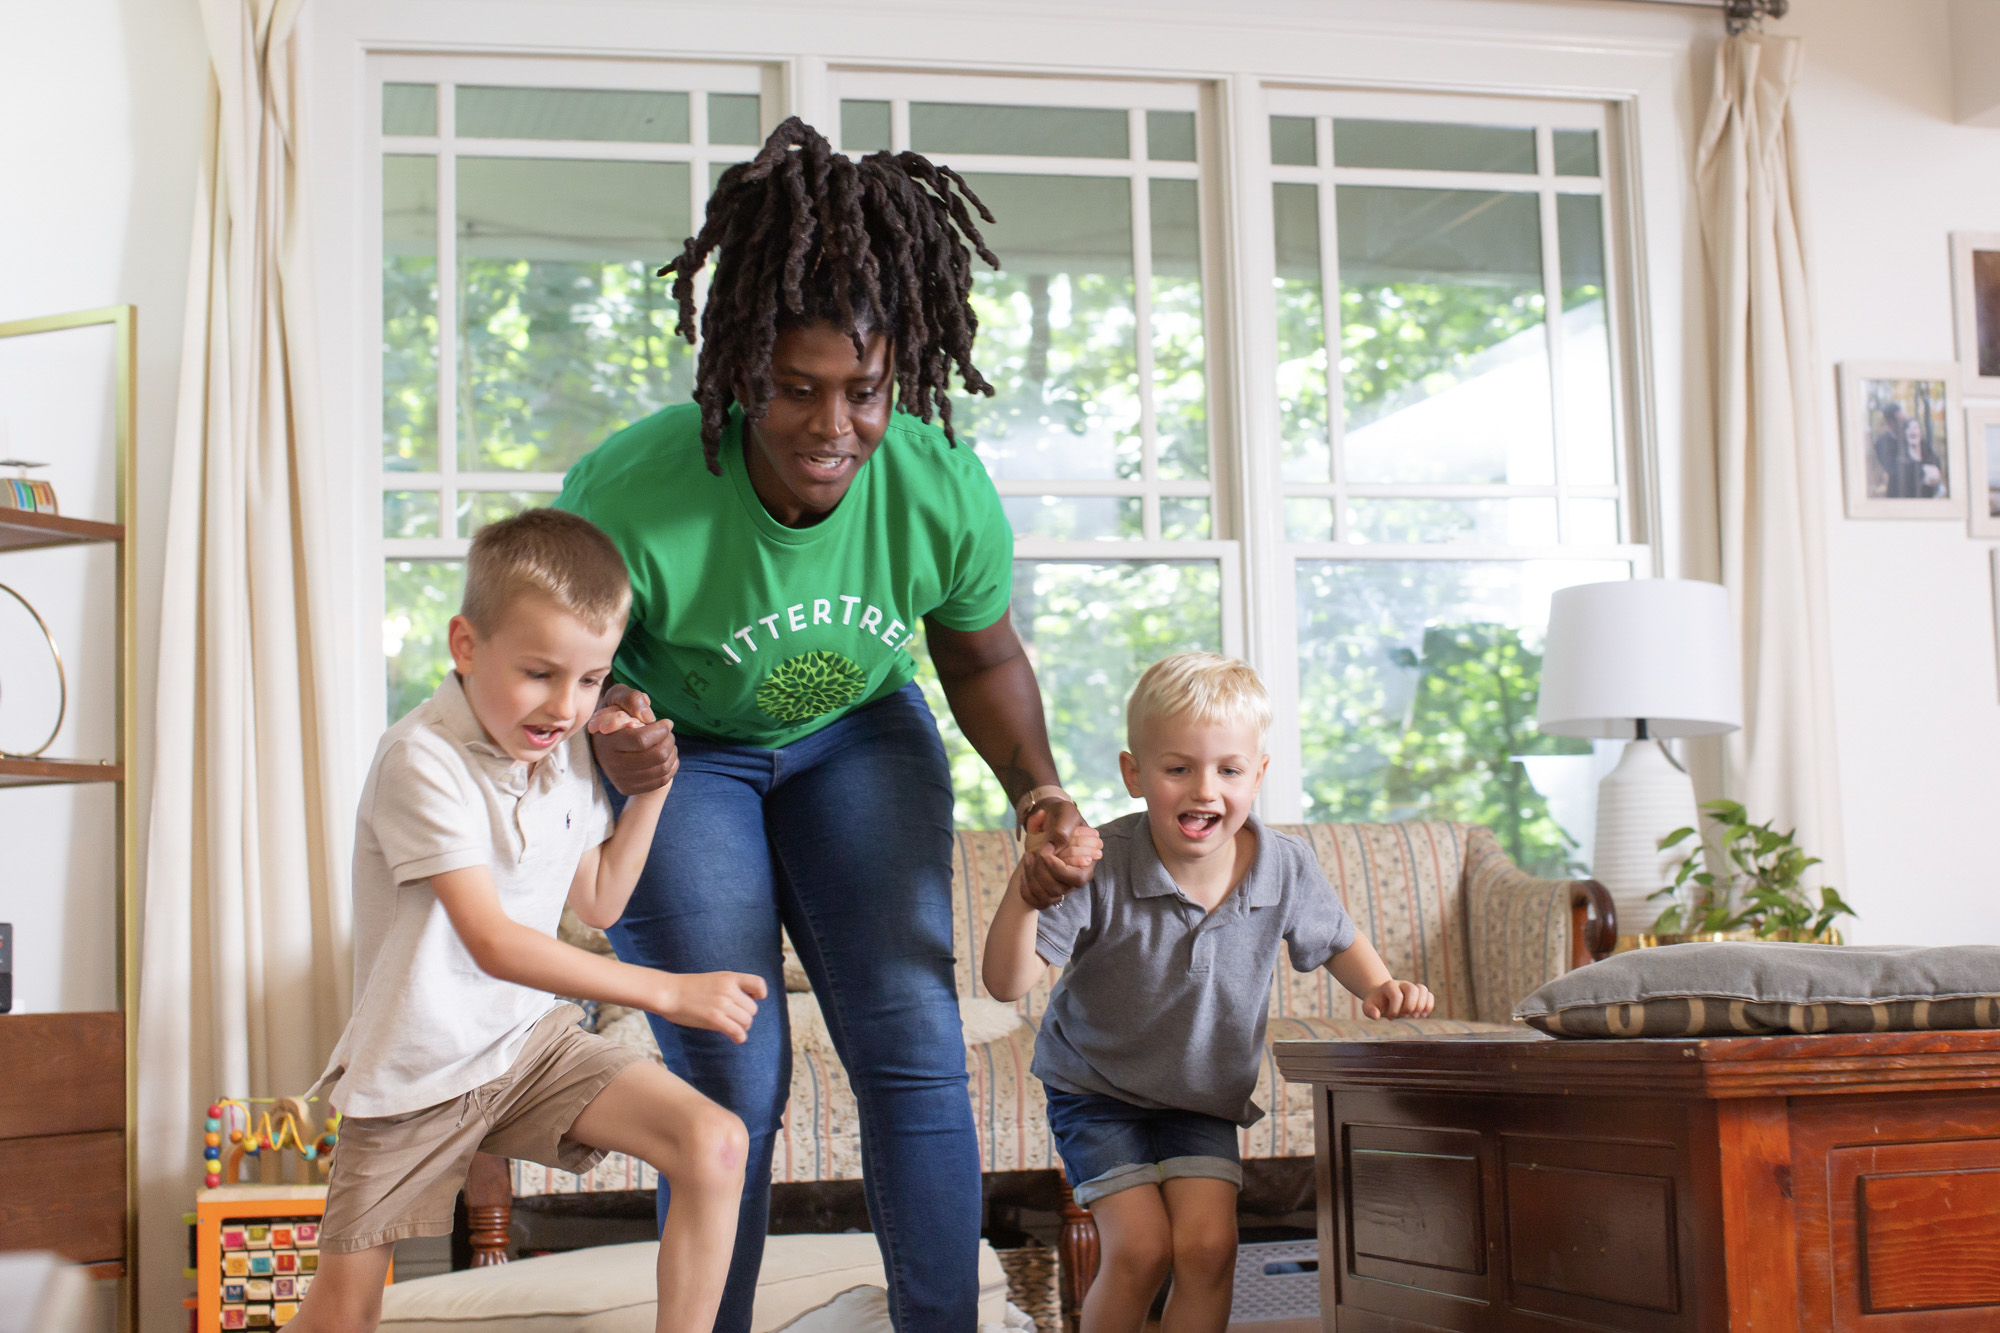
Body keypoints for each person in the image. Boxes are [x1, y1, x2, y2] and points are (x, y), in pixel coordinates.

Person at [555, 117, 1094, 1332]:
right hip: (683, 760)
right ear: (741, 370)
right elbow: (560, 675)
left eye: (863, 391)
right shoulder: (629, 493)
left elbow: (981, 655)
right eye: (795, 389)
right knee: (732, 1073)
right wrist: (611, 728)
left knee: (914, 1047)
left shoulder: (937, 484)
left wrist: (1038, 794)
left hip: (858, 735)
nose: (830, 426)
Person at [292, 510, 767, 1333]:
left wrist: (654, 786)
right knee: (343, 1313)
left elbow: (600, 899)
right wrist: (667, 991)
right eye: (540, 673)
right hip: (415, 1071)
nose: (565, 705)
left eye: (589, 679)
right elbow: (492, 940)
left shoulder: (562, 749)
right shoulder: (420, 760)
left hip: (523, 1044)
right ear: (466, 645)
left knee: (714, 1140)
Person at [982, 653, 1436, 1333]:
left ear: (1259, 773)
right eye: (1178, 768)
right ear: (1134, 774)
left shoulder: (1285, 864)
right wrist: (1026, 891)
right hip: (1097, 1091)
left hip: (1201, 1094)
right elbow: (1005, 982)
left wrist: (1380, 985)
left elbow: (1338, 937)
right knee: (1140, 1250)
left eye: (1228, 770)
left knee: (1208, 1248)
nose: (1204, 789)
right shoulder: (1100, 861)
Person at [1873, 402, 1944, 498]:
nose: (1903, 422)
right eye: (1900, 420)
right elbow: (1893, 469)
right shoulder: (1882, 443)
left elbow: (1932, 457)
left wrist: (1934, 469)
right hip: (1898, 494)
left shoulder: (1909, 435)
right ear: (1890, 422)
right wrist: (1922, 471)